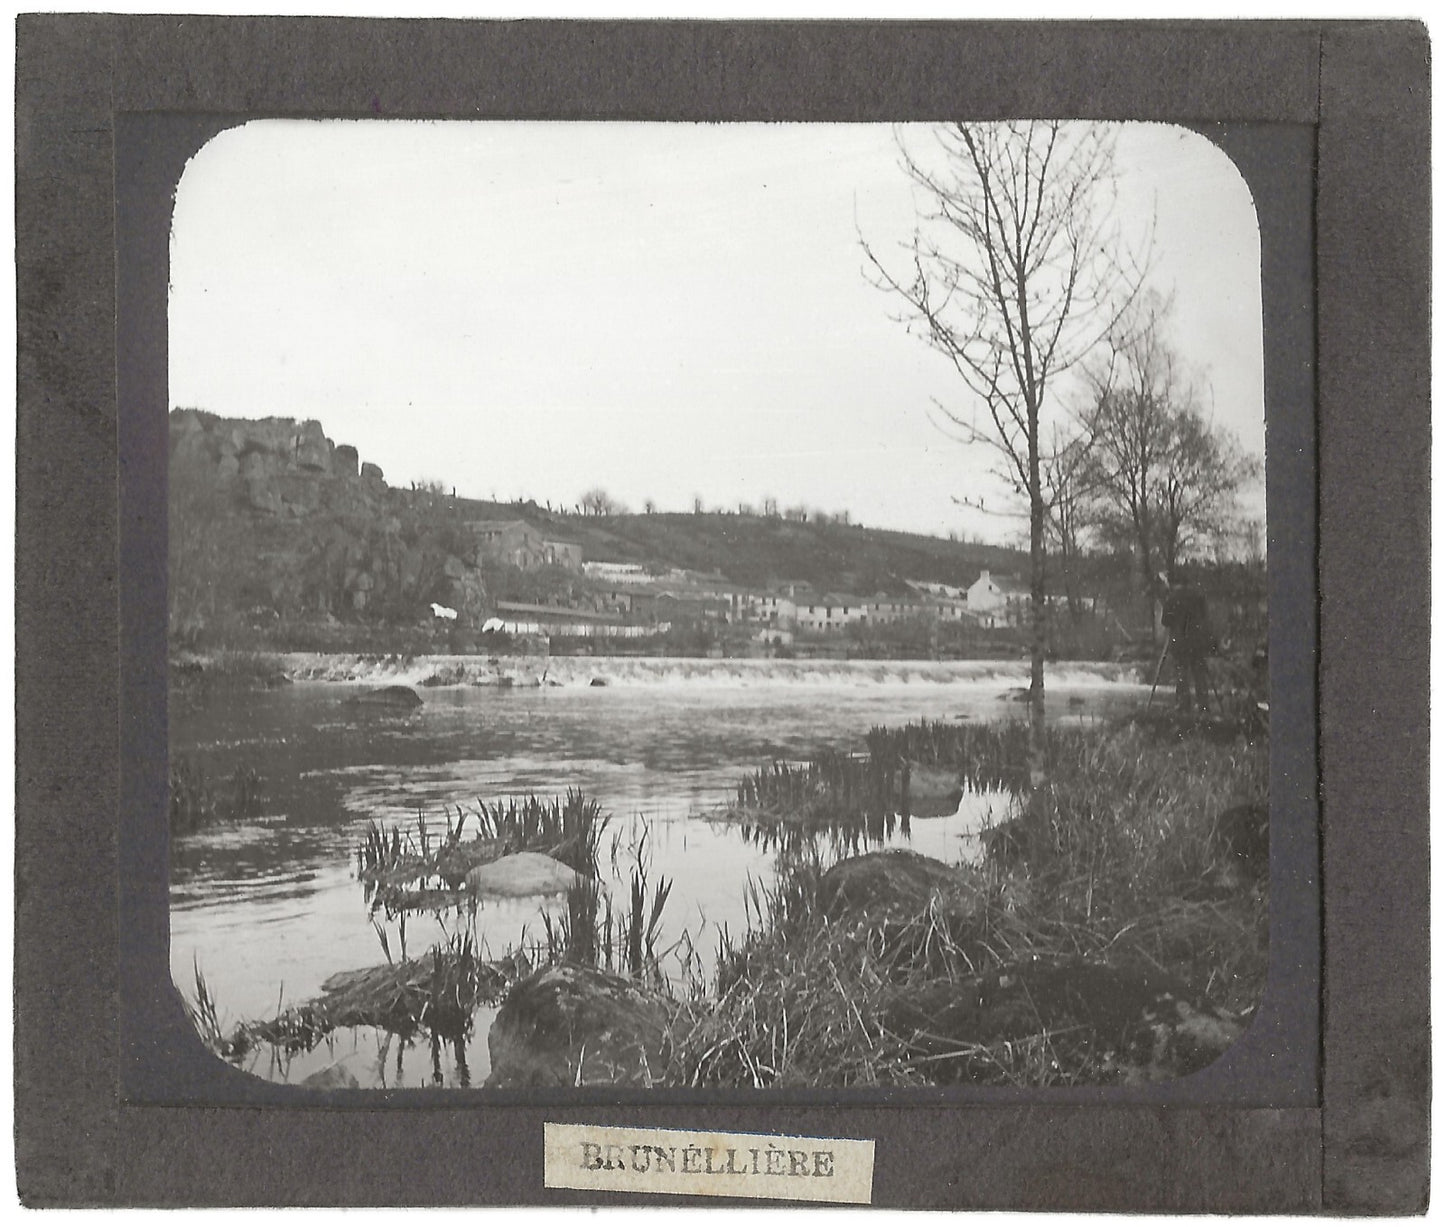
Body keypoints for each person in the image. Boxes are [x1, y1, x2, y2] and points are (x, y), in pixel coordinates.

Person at [1160, 572, 1213, 713]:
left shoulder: (1172, 598)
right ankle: (1204, 705)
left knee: (1181, 672)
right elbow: (1205, 617)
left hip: (1180, 642)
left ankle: (1184, 705)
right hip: (1196, 641)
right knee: (1199, 674)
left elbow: (1165, 621)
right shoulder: (1198, 596)